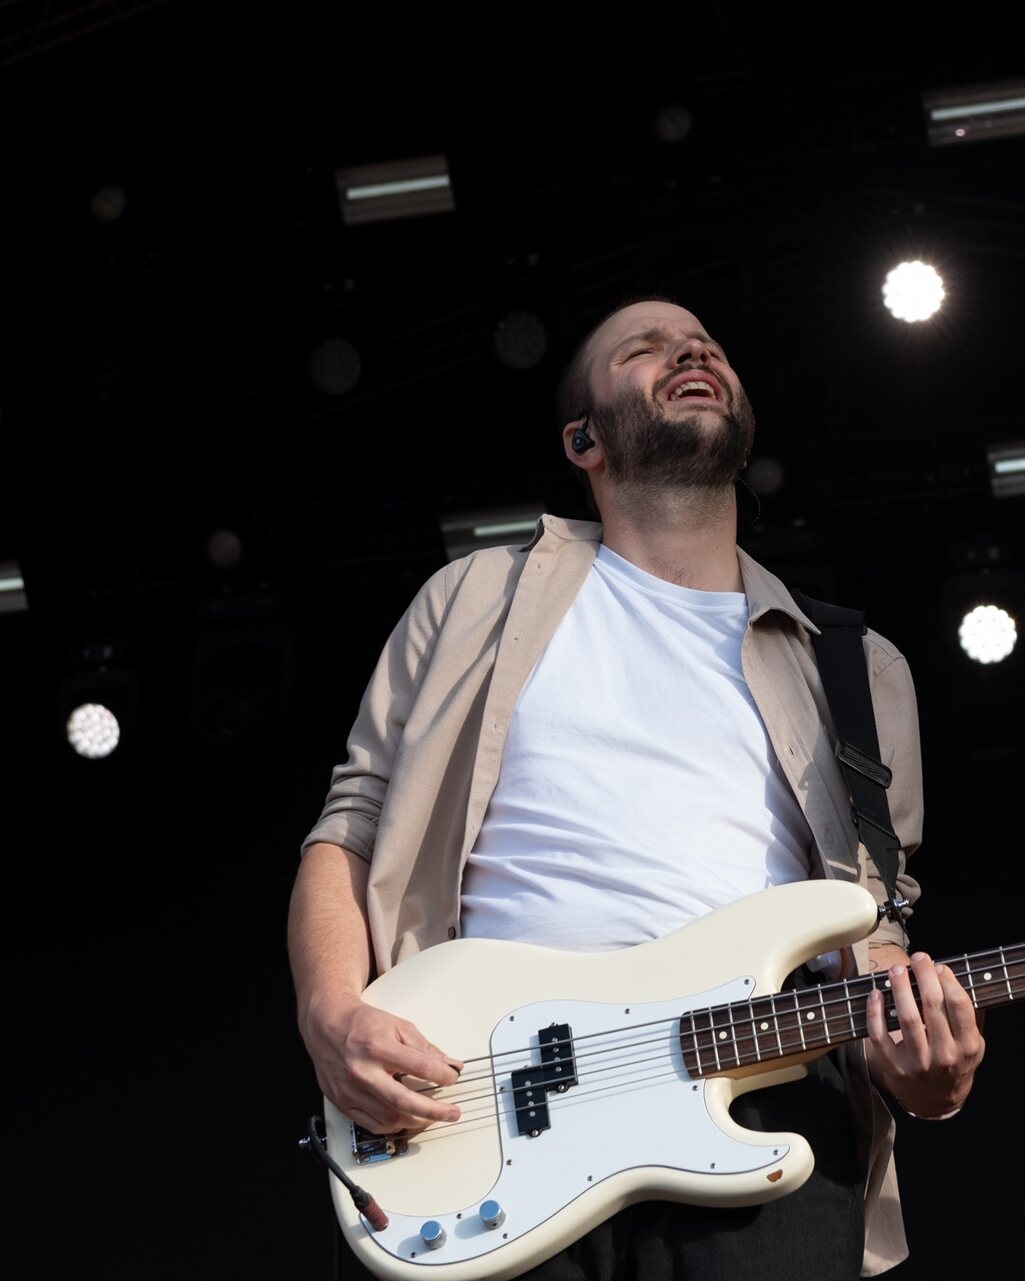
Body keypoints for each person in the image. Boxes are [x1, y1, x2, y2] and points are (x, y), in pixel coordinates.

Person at [287, 294, 985, 1279]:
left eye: (707, 344)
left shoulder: (858, 670)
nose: (691, 352)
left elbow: (870, 929)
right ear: (585, 440)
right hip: (485, 1102)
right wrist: (330, 1015)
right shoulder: (473, 598)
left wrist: (926, 1073)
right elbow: (350, 830)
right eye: (645, 350)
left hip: (760, 1101)